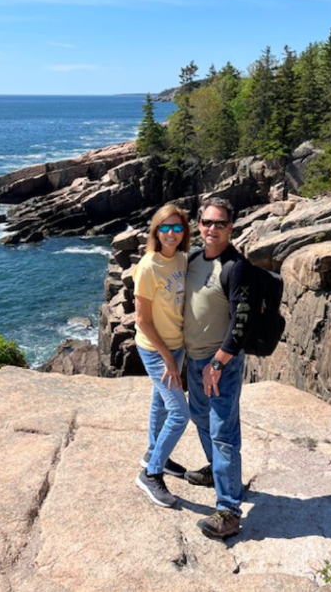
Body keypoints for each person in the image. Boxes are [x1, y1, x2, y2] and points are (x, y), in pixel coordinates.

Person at [182, 196, 250, 540]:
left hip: (220, 364)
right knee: (199, 417)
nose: (212, 229)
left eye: (219, 224)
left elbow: (240, 323)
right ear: (199, 224)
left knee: (223, 430)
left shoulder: (235, 267)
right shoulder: (193, 259)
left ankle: (228, 510)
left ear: (230, 228)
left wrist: (218, 363)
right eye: (207, 222)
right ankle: (219, 472)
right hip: (193, 360)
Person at [132, 204, 191, 508]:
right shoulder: (147, 266)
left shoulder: (182, 259)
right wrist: (167, 357)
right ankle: (151, 474)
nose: (171, 233)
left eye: (177, 228)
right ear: (156, 231)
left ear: (184, 232)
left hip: (178, 345)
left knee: (161, 402)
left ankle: (155, 454)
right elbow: (142, 320)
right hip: (156, 349)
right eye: (165, 228)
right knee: (180, 413)